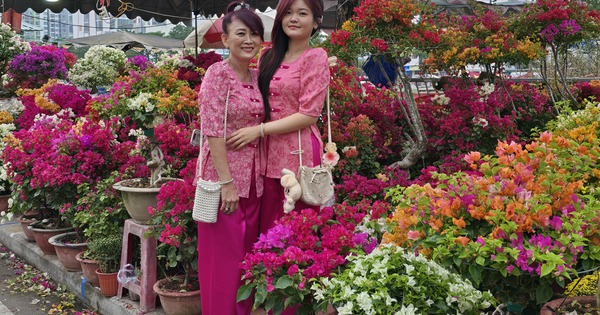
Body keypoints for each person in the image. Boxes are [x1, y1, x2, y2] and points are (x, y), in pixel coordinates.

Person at [227, 0, 329, 235]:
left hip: (300, 152)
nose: (294, 19)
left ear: (316, 21)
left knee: (297, 224)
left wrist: (259, 130)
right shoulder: (267, 56)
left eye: (302, 13)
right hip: (266, 151)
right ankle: (268, 270)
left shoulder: (315, 57)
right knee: (269, 222)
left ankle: (298, 270)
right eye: (288, 13)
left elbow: (309, 114)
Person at [194, 2, 265, 315]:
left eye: (254, 34)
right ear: (225, 40)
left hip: (256, 181)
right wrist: (227, 184)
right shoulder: (217, 75)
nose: (248, 40)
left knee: (246, 261)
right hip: (224, 182)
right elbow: (212, 131)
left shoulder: (258, 75)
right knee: (222, 263)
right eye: (241, 34)